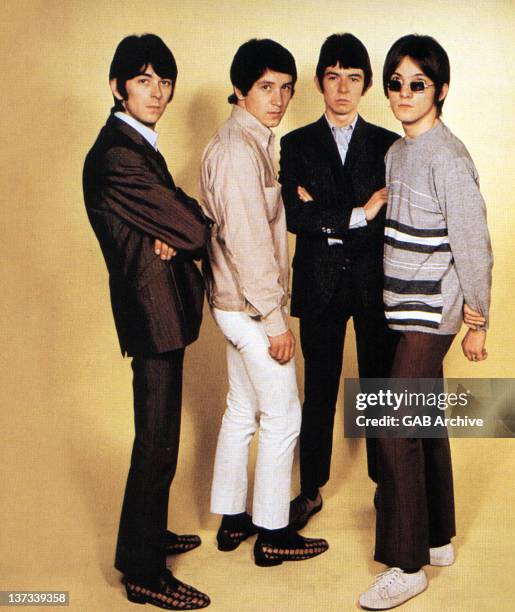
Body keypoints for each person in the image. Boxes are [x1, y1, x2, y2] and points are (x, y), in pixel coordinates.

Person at [357, 34, 493, 610]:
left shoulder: (450, 157)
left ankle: (405, 563)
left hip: (433, 312)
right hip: (399, 305)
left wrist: (478, 320)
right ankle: (436, 538)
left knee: (391, 424)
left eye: (417, 84)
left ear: (440, 89)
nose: (404, 93)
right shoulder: (397, 152)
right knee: (425, 424)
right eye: (395, 83)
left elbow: (474, 246)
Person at [83, 34, 211, 610]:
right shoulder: (118, 154)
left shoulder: (138, 143)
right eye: (143, 80)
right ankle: (143, 572)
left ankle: (145, 537)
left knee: (158, 439)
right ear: (117, 87)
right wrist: (180, 233)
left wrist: (179, 229)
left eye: (164, 82)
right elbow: (197, 229)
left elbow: (186, 215)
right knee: (157, 444)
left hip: (162, 309)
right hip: (150, 312)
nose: (157, 92)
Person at [199, 38, 328, 567]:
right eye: (265, 87)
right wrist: (275, 321)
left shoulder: (248, 141)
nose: (277, 99)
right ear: (239, 90)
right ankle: (273, 531)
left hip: (234, 302)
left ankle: (232, 519)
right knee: (284, 416)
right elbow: (249, 242)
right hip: (249, 307)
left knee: (240, 409)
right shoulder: (236, 150)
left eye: (286, 89)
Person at [279, 33, 399, 530]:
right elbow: (294, 216)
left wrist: (322, 211)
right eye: (333, 77)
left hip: (375, 284)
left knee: (377, 389)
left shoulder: (389, 145)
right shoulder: (295, 143)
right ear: (319, 83)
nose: (343, 88)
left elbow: (391, 218)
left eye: (353, 78)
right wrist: (361, 211)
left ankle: (386, 486)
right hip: (320, 283)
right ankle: (310, 490)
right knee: (320, 389)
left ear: (367, 85)